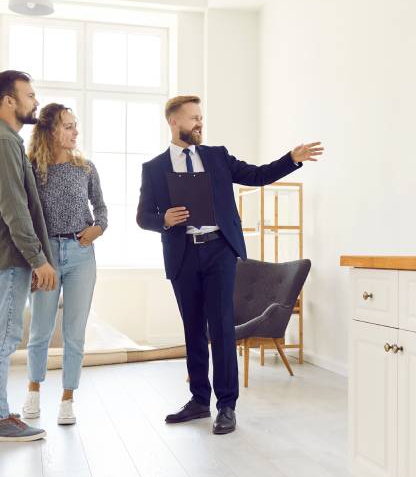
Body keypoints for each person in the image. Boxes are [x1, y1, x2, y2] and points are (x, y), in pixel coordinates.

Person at [136, 95, 323, 435]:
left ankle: (226, 406)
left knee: (220, 327)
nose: (199, 123)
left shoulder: (217, 156)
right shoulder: (154, 168)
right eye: (193, 118)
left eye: (201, 117)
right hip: (182, 255)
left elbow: (257, 174)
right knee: (193, 329)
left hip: (219, 251)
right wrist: (163, 219)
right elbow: (142, 217)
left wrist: (291, 159)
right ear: (174, 122)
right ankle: (197, 401)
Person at [0, 70, 58, 443]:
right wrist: (38, 259)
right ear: (9, 100)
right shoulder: (3, 142)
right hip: (8, 255)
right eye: (30, 95)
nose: (35, 102)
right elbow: (14, 208)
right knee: (2, 338)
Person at [22, 103, 106, 426]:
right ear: (50, 131)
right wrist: (34, 260)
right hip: (46, 259)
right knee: (40, 330)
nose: (75, 132)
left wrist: (97, 229)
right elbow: (27, 217)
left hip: (82, 255)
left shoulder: (85, 168)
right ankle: (33, 392)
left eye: (75, 126)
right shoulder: (31, 168)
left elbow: (101, 210)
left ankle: (68, 398)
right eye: (68, 126)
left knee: (74, 333)